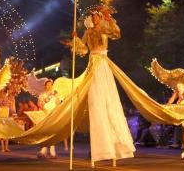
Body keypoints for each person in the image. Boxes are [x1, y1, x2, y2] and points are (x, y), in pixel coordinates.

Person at [72, 9, 135, 166]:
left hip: (103, 62)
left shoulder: (106, 29)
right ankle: (98, 150)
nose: (95, 18)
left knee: (109, 98)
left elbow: (117, 34)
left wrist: (111, 20)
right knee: (95, 102)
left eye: (97, 16)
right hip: (93, 62)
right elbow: (82, 49)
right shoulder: (88, 31)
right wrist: (75, 40)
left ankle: (115, 149)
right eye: (93, 16)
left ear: (100, 18)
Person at [37, 79, 61, 159]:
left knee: (52, 132)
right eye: (47, 85)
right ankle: (44, 149)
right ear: (45, 86)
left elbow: (58, 103)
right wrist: (44, 108)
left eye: (50, 85)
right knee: (44, 132)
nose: (49, 86)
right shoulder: (42, 95)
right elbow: (39, 103)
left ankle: (52, 150)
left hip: (53, 115)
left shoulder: (55, 94)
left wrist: (57, 102)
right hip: (45, 115)